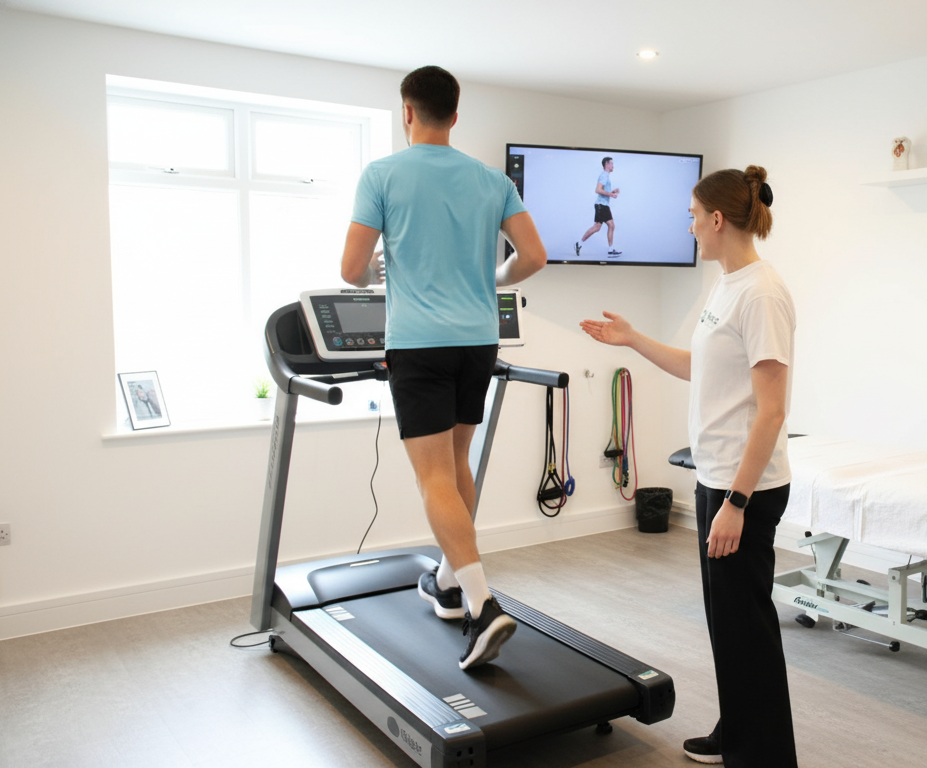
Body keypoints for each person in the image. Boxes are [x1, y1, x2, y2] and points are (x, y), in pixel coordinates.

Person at [580, 166, 797, 767]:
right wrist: (632, 339)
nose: (691, 227)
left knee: (746, 626)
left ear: (718, 220)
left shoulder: (762, 293)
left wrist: (738, 502)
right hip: (714, 477)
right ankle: (738, 731)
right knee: (727, 623)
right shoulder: (726, 285)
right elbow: (697, 368)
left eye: (694, 218)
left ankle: (764, 757)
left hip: (742, 488)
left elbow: (772, 411)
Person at [340, 65, 547, 670]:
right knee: (456, 465)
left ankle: (484, 605)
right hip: (479, 342)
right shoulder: (489, 180)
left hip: (420, 344)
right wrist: (491, 277)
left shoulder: (382, 174)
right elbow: (532, 255)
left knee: (433, 477)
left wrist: (384, 265)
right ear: (455, 115)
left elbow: (352, 271)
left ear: (408, 112)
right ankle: (451, 585)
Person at [576, 156, 620, 257]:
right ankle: (610, 250)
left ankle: (579, 243)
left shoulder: (606, 176)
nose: (613, 166)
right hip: (602, 205)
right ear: (607, 164)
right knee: (610, 225)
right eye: (612, 163)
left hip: (602, 205)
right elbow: (598, 190)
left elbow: (602, 191)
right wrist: (611, 195)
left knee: (598, 227)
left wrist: (612, 192)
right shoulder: (604, 175)